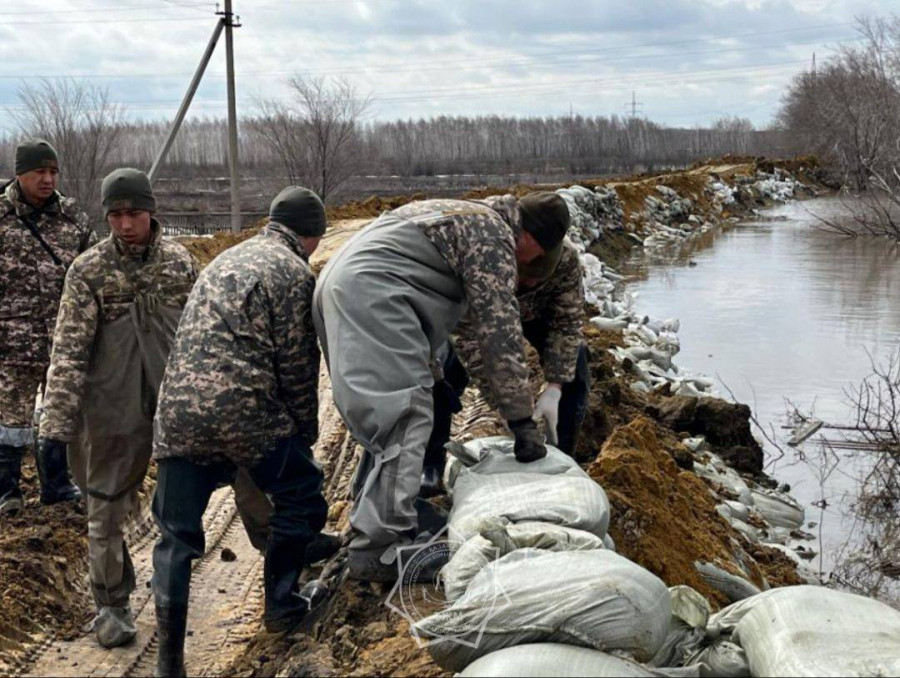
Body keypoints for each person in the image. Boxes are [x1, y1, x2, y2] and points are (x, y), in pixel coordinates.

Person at [312, 191, 570, 582]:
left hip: (341, 285)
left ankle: (374, 513)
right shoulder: (494, 238)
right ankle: (379, 549)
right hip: (374, 295)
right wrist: (521, 422)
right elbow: (500, 337)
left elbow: (473, 339)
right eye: (531, 261)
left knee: (387, 411)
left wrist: (456, 385)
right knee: (404, 414)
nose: (525, 267)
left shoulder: (463, 217)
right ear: (534, 237)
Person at [151, 187, 330, 677]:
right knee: (301, 494)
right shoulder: (295, 272)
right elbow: (296, 366)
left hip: (178, 412)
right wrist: (303, 435)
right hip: (244, 411)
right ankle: (283, 606)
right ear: (311, 235)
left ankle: (168, 663)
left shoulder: (226, 260)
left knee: (175, 536)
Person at [39, 168, 198, 649]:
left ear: (151, 211)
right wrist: (55, 427)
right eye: (115, 215)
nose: (125, 224)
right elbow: (67, 353)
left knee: (239, 478)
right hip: (111, 408)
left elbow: (201, 334)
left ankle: (281, 571)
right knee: (104, 508)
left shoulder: (180, 263)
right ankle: (111, 604)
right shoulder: (88, 271)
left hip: (176, 403)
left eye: (133, 213)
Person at [420, 234, 589, 496]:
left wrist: (555, 386)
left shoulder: (566, 261)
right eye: (527, 274)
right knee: (446, 372)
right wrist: (507, 406)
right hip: (487, 314)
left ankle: (563, 456)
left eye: (538, 278)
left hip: (536, 314)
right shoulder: (488, 248)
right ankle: (430, 464)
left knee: (576, 367)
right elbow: (471, 339)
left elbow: (567, 323)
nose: (530, 282)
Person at [0, 139, 95, 515]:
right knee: (10, 417)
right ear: (20, 173)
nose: (47, 179)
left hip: (64, 339)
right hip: (11, 341)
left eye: (53, 172)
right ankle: (7, 491)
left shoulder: (72, 219)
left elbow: (91, 273)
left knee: (60, 413)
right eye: (40, 171)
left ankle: (57, 484)